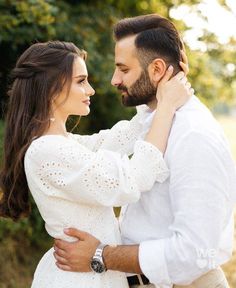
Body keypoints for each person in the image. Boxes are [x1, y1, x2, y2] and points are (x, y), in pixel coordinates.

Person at [54, 14, 236, 288]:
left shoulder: (194, 136)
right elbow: (96, 145)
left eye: (124, 70)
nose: (114, 79)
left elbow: (194, 253)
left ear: (157, 70)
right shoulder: (152, 120)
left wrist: (102, 255)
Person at [0, 40, 192, 288]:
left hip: (90, 274)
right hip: (79, 280)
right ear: (51, 88)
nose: (91, 90)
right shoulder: (47, 150)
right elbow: (134, 178)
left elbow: (115, 139)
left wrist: (162, 85)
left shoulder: (62, 143)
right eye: (81, 81)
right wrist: (166, 107)